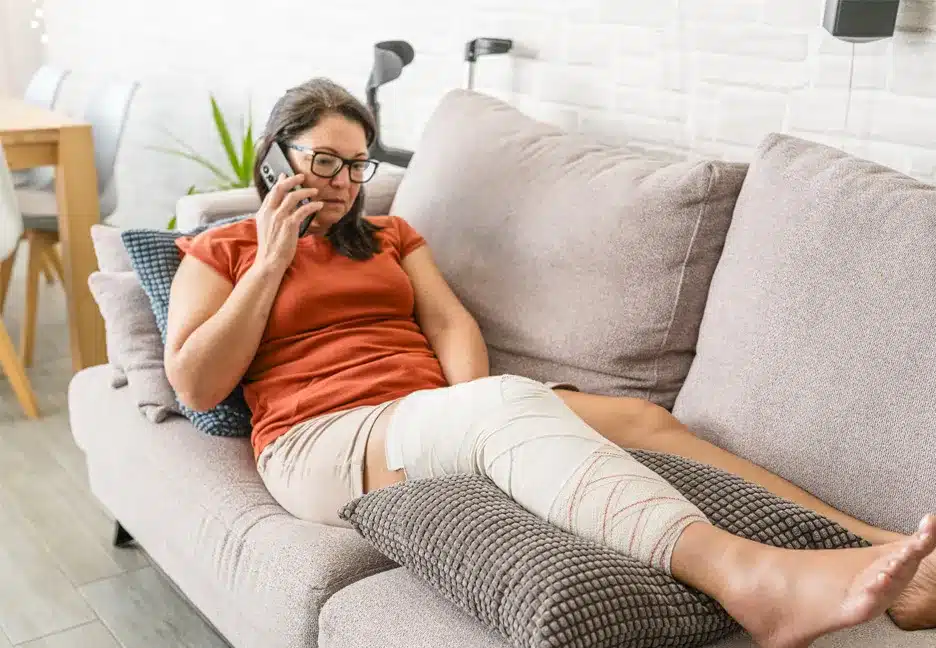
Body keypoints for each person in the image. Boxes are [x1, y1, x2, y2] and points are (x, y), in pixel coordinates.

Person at [165, 77, 935, 648]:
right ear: (276, 157)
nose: (341, 185)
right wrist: (268, 264)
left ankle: (880, 544)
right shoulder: (222, 250)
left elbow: (449, 321)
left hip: (431, 421)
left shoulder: (391, 237)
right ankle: (751, 581)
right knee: (505, 411)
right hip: (321, 445)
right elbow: (198, 382)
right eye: (324, 162)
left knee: (643, 420)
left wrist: (472, 408)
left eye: (356, 166)